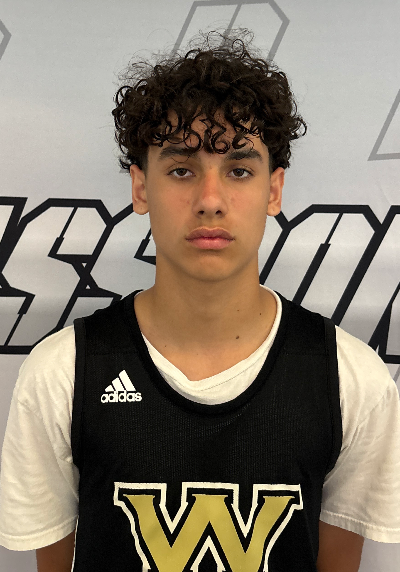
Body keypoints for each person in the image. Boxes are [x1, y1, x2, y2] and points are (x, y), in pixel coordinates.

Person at [0, 29, 400, 572]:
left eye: (239, 169)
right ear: (141, 188)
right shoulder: (62, 373)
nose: (210, 200)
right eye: (182, 169)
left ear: (274, 190)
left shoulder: (351, 380)